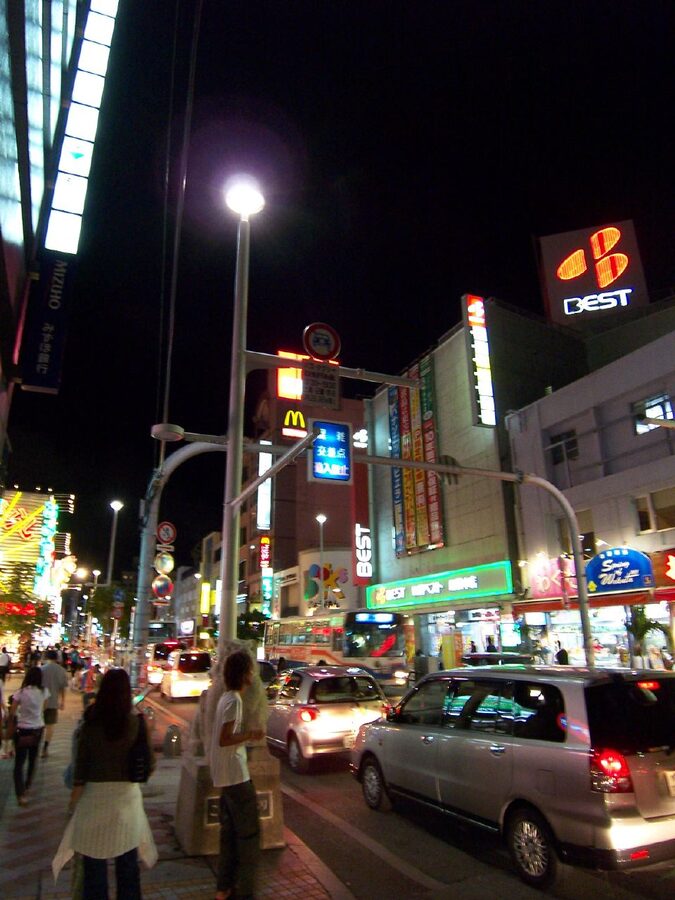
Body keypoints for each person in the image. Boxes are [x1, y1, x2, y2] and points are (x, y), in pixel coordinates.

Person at [52, 667, 157, 898]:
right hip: (126, 802)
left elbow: (80, 770)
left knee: (93, 868)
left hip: (93, 802)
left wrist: (71, 807)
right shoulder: (136, 723)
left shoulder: (90, 722)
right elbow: (149, 766)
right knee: (128, 865)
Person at [210, 650, 264, 900]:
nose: (253, 674)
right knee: (249, 838)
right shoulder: (234, 701)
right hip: (236, 777)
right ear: (244, 674)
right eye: (250, 669)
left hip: (225, 777)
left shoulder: (225, 698)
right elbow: (225, 738)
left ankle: (224, 888)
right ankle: (245, 892)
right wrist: (251, 735)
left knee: (229, 836)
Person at [10, 666, 50, 806]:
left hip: (22, 730)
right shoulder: (44, 692)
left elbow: (13, 711)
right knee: (33, 760)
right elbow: (44, 708)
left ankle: (20, 794)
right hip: (37, 729)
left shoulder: (20, 692)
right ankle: (27, 787)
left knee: (19, 763)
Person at [40, 649, 69, 757]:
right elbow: (63, 688)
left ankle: (37, 744)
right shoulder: (61, 670)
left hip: (40, 702)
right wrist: (63, 701)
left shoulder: (41, 669)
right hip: (53, 702)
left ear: (46, 657)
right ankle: (45, 748)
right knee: (50, 726)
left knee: (39, 724)